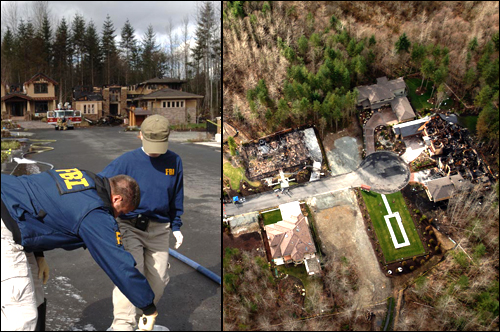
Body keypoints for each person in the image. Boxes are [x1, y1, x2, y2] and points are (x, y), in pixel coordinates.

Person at [1, 169, 159, 331]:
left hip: (12, 208)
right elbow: (119, 264)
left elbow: (39, 201)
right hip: (6, 223)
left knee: (35, 296)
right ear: (117, 199)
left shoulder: (84, 177)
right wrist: (148, 307)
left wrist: (38, 252)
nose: (117, 217)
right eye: (121, 212)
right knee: (21, 315)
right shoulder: (94, 212)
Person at [100, 114, 184, 331]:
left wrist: (176, 226)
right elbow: (100, 186)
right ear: (140, 136)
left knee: (158, 279)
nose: (155, 150)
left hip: (160, 229)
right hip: (129, 226)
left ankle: (143, 320)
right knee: (130, 273)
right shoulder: (126, 162)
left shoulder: (174, 162)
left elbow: (176, 196)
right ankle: (122, 325)